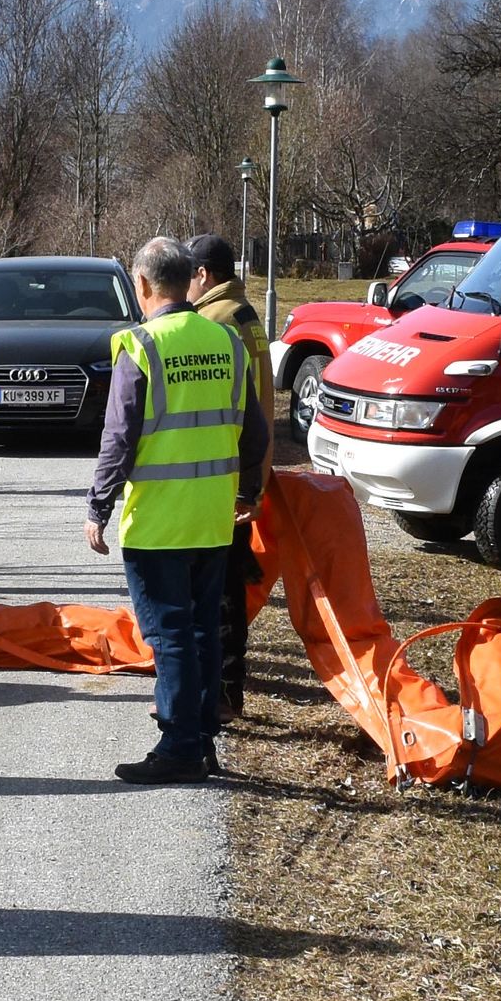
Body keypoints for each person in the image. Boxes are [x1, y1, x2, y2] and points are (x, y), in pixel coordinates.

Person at [88, 235, 271, 784]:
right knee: (200, 632)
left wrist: (97, 505)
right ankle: (202, 739)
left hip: (160, 524)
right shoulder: (226, 342)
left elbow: (118, 438)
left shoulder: (140, 346)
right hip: (213, 519)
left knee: (168, 635)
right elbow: (255, 432)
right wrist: (247, 494)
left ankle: (178, 749)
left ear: (142, 284)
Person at [184, 233, 276, 717]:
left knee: (219, 592)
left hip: (225, 474)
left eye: (189, 276)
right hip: (247, 466)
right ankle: (227, 686)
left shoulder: (215, 321)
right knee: (230, 585)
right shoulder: (245, 314)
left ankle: (223, 691)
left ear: (203, 275)